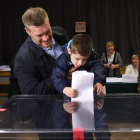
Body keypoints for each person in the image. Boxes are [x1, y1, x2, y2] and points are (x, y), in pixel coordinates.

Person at [14, 7, 73, 95]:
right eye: (39, 35)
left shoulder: (60, 32)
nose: (46, 38)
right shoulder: (23, 59)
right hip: (51, 105)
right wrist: (63, 75)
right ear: (28, 31)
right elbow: (31, 92)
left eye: (48, 31)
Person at [51, 34, 106, 98]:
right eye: (77, 59)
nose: (80, 63)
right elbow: (57, 75)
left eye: (84, 60)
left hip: (87, 89)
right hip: (68, 89)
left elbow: (99, 68)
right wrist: (64, 89)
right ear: (69, 51)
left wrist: (99, 82)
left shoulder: (92, 55)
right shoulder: (63, 58)